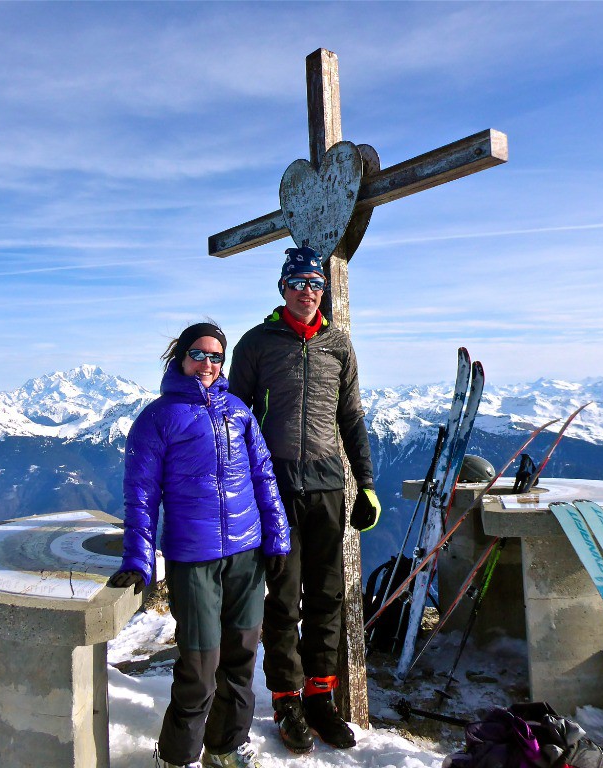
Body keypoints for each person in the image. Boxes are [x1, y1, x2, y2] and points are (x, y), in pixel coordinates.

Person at [110, 322, 291, 768]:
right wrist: (138, 558)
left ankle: (225, 747)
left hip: (247, 553)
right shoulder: (156, 419)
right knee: (199, 666)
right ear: (180, 357)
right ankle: (177, 756)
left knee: (242, 659)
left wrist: (278, 539)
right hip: (193, 557)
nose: (207, 364)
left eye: (216, 357)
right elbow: (142, 496)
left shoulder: (238, 411)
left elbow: (264, 478)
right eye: (199, 354)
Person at [228, 247, 380, 753]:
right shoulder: (256, 343)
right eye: (298, 283)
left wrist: (368, 483)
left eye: (315, 284)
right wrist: (236, 484)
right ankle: (287, 700)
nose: (307, 291)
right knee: (284, 597)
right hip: (274, 488)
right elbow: (235, 418)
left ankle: (321, 697)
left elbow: (352, 418)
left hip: (327, 487)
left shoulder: (339, 343)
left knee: (327, 596)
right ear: (282, 288)